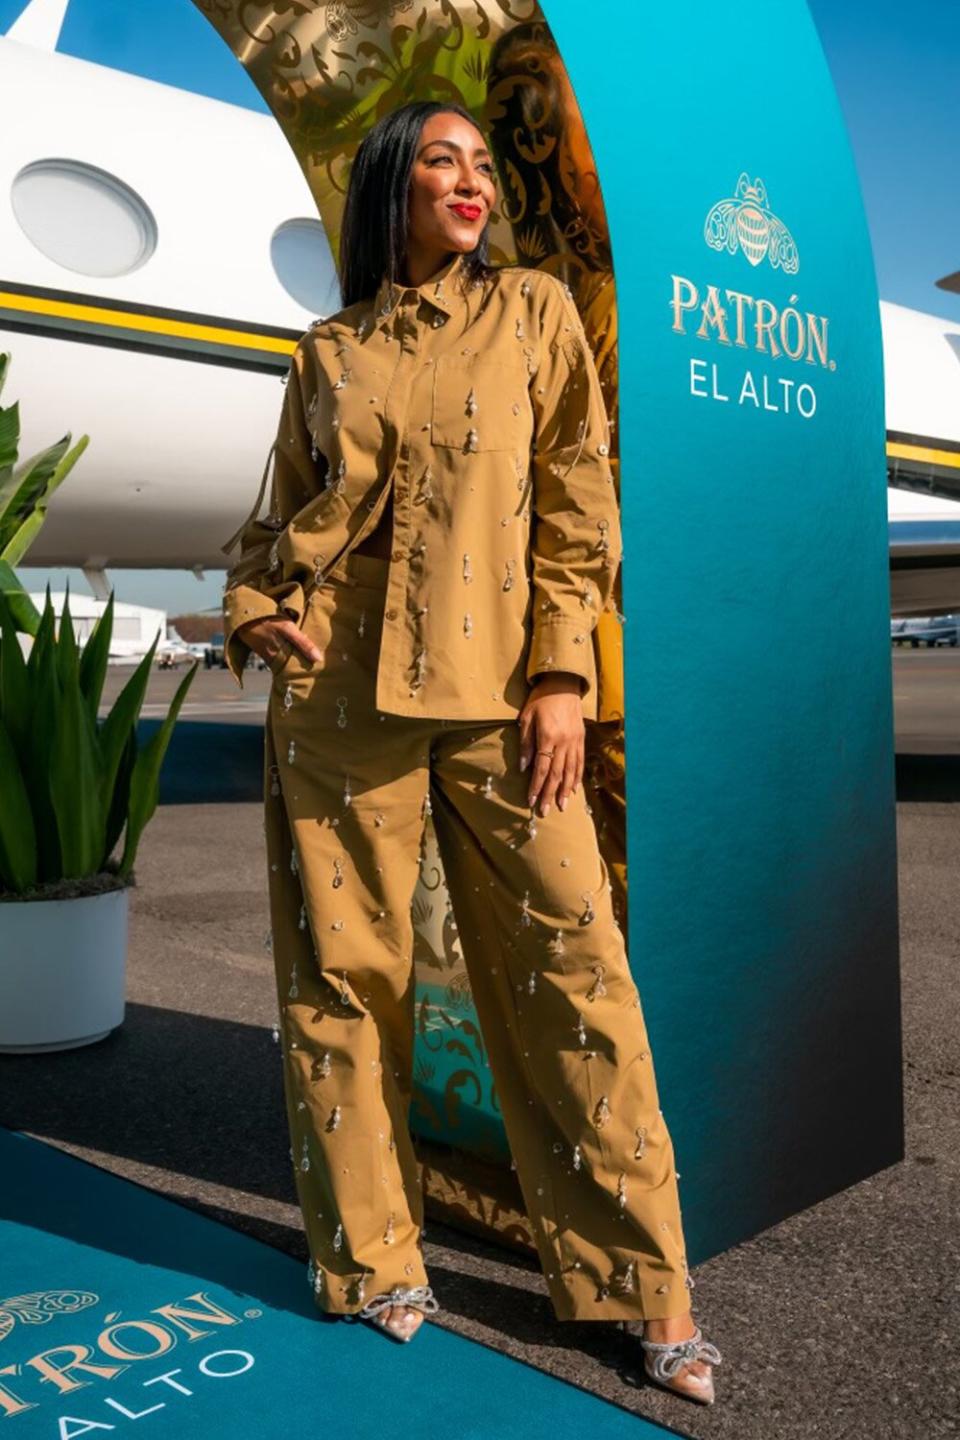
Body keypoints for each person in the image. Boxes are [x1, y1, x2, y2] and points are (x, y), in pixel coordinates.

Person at [220, 99, 722, 1406]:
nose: (472, 180)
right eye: (441, 159)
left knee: (575, 971)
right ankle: (374, 1258)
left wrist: (565, 671)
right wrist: (256, 611)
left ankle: (643, 1287)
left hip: (506, 700)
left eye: (484, 163)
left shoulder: (536, 315)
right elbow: (272, 529)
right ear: (390, 184)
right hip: (337, 704)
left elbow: (576, 489)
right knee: (346, 982)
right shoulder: (325, 348)